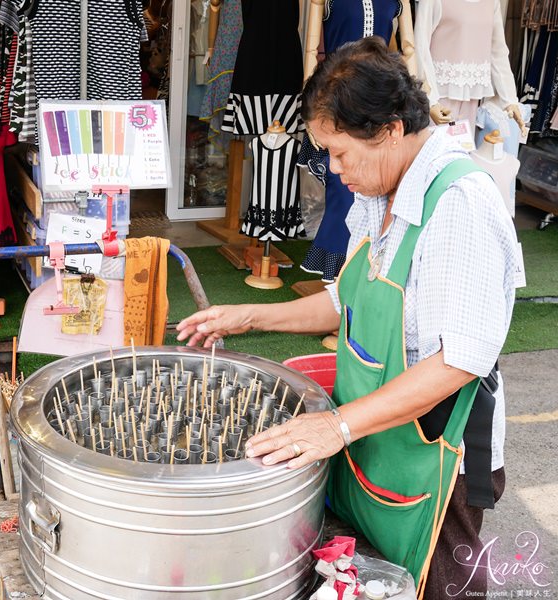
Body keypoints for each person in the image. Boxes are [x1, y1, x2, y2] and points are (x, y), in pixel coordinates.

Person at [177, 37, 518, 600]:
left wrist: (335, 426)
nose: (335, 171)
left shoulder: (459, 204)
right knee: (369, 578)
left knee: (435, 586)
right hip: (374, 436)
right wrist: (246, 318)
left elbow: (459, 360)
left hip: (438, 458)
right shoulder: (378, 191)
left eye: (340, 153)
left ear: (387, 130)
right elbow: (346, 299)